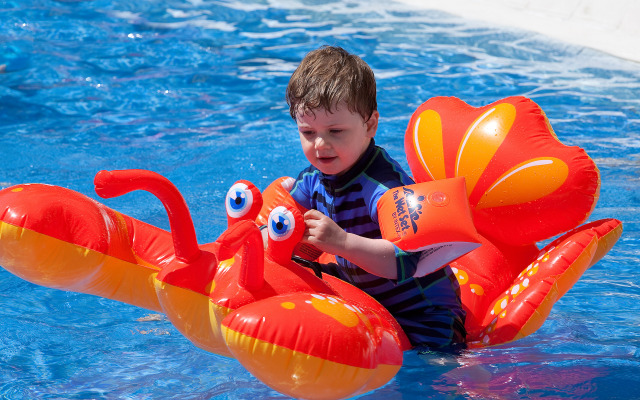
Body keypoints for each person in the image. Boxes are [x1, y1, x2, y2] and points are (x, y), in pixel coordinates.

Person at [285, 45, 466, 349]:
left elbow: (404, 259)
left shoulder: (386, 188)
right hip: (366, 297)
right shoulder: (312, 179)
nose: (320, 144)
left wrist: (341, 243)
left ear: (370, 125)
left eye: (335, 131)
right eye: (308, 132)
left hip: (422, 315)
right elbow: (279, 225)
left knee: (436, 373)